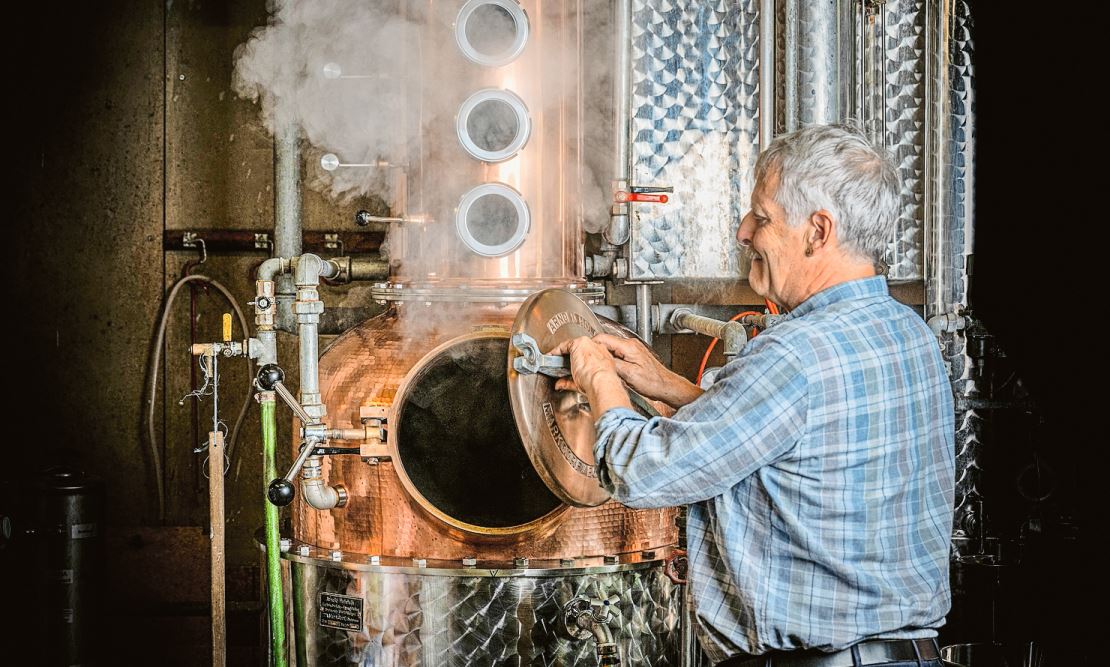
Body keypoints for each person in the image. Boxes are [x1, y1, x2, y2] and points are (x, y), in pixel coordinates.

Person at [553, 124, 955, 667]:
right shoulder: (911, 336)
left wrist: (597, 376)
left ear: (818, 231)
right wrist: (666, 386)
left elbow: (643, 473)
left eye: (762, 217)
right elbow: (789, 448)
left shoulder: (796, 353)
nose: (744, 231)